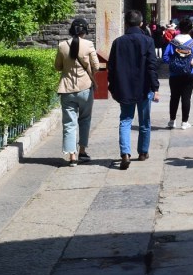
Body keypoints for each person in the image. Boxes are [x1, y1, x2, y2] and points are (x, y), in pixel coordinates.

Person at [108, 9, 160, 169]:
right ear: (141, 23)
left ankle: (125, 153)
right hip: (144, 88)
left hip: (124, 88)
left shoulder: (118, 42)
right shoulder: (148, 41)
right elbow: (152, 66)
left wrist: (112, 87)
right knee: (144, 122)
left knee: (125, 120)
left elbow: (111, 67)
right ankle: (143, 152)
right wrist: (155, 87)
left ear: (126, 24)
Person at [55, 16, 99, 165]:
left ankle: (72, 156)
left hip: (67, 89)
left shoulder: (62, 45)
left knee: (69, 123)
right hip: (85, 88)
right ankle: (82, 151)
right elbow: (96, 66)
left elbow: (57, 66)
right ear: (84, 31)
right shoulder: (88, 45)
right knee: (85, 120)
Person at [163, 17, 193, 128]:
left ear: (179, 28)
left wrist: (172, 63)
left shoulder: (173, 42)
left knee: (174, 97)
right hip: (190, 73)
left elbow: (165, 57)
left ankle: (172, 121)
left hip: (174, 74)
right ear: (190, 29)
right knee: (186, 97)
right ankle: (184, 122)